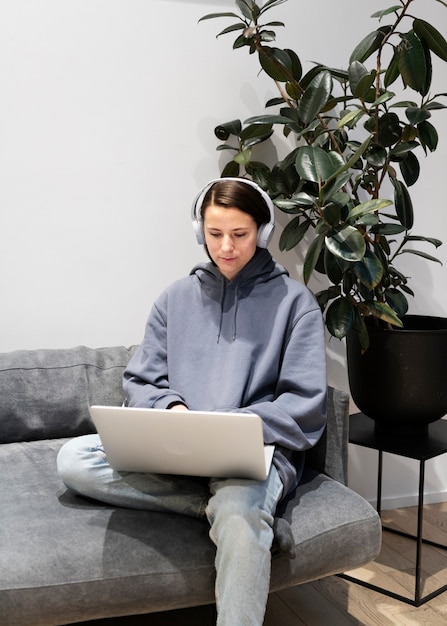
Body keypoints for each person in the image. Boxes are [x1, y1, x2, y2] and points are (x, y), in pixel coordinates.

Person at [57, 177, 327, 626]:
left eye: (239, 235)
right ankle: (221, 508)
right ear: (200, 232)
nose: (225, 247)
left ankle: (242, 513)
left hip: (253, 456)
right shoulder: (174, 299)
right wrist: (173, 413)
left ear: (261, 233)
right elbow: (142, 380)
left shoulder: (296, 305)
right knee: (74, 459)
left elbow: (304, 405)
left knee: (239, 514)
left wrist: (229, 425)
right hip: (178, 450)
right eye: (215, 233)